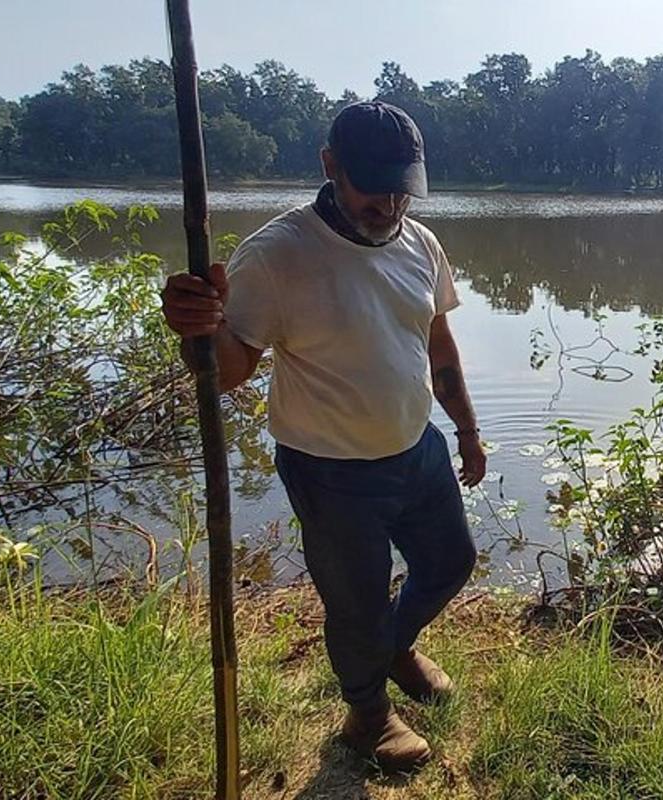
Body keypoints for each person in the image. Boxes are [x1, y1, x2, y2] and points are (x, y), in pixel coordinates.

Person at [160, 101, 485, 772]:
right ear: (330, 165)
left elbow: (437, 341)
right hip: (330, 468)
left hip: (415, 447)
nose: (389, 203)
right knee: (355, 602)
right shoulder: (279, 256)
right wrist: (197, 329)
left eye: (403, 186)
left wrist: (467, 431)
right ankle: (367, 716)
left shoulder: (421, 244)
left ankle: (395, 648)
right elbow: (229, 369)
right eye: (372, 183)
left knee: (450, 562)